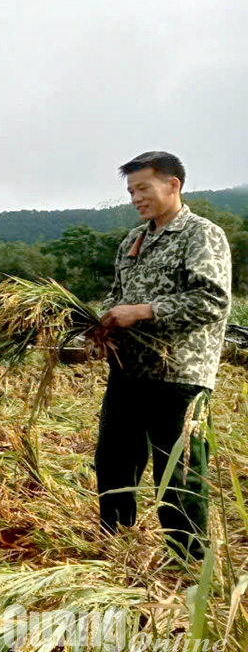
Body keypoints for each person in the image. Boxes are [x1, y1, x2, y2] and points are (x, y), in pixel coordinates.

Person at [92, 151, 232, 561]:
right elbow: (116, 298)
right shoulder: (132, 242)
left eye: (143, 188)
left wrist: (143, 312)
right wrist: (101, 325)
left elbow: (212, 301)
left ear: (173, 185)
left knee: (179, 475)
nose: (136, 198)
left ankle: (187, 564)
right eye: (131, 190)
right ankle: (116, 549)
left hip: (180, 376)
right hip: (128, 373)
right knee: (113, 463)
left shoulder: (201, 234)